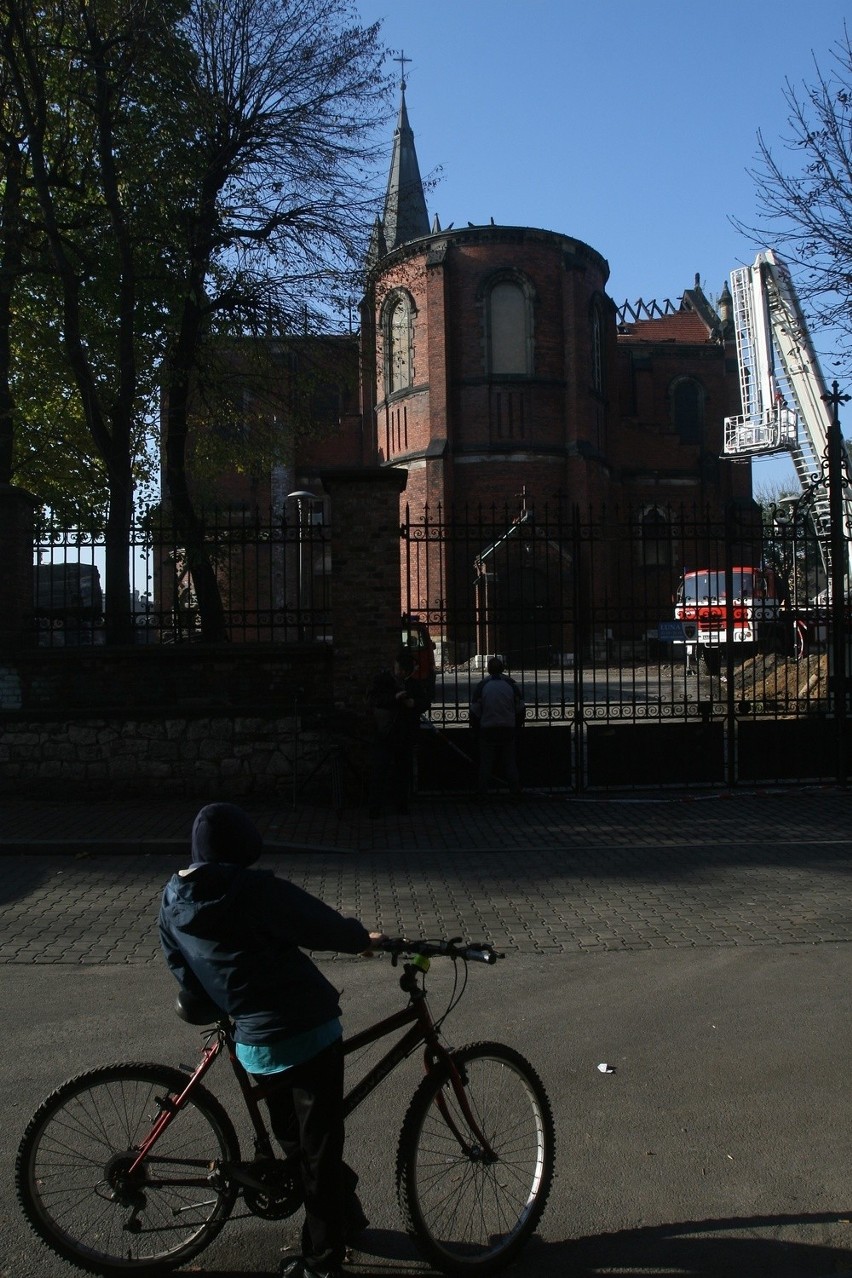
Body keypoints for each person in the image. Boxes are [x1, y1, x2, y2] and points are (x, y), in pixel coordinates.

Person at [158, 802, 386, 1278]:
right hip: (305, 1031)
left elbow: (181, 966)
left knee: (298, 1143)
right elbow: (317, 924)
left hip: (253, 1044)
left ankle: (347, 1216)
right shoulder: (254, 890)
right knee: (320, 1149)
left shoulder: (172, 898)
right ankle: (323, 1263)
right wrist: (361, 938)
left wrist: (221, 1000)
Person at [366, 651, 428, 815]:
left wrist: (413, 703)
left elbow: (424, 702)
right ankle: (375, 807)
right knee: (380, 771)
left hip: (404, 733)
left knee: (402, 772)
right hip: (386, 732)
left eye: (399, 669)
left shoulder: (413, 685)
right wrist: (395, 697)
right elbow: (374, 701)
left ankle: (401, 804)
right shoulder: (385, 681)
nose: (397, 671)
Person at [470, 656, 525, 797]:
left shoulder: (483, 685)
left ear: (488, 669)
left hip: (488, 727)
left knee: (486, 764)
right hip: (507, 727)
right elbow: (520, 708)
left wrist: (476, 728)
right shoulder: (511, 684)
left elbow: (475, 710)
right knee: (510, 763)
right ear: (503, 669)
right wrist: (517, 726)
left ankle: (482, 793)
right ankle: (515, 792)